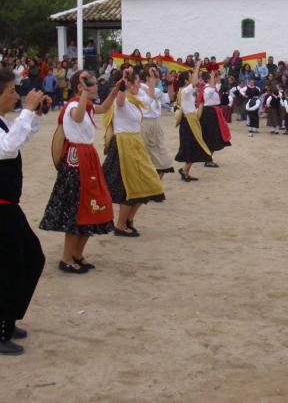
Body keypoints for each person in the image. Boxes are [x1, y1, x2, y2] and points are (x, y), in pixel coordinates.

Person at [39, 71, 117, 273]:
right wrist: (83, 92)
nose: (95, 84)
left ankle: (77, 254)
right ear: (80, 87)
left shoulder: (87, 105)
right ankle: (66, 258)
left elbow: (105, 107)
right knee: (76, 210)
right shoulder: (74, 104)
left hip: (87, 157)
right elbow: (78, 116)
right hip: (77, 160)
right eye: (88, 81)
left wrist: (116, 89)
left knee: (91, 207)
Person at [0, 71, 48, 355]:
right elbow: (6, 149)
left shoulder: (4, 122)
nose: (15, 95)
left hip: (8, 207)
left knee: (29, 258)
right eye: (10, 90)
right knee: (11, 266)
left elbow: (18, 141)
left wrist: (36, 115)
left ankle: (8, 317)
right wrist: (27, 111)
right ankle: (2, 326)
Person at [102, 69, 165, 236]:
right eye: (137, 82)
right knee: (128, 187)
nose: (140, 84)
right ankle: (120, 225)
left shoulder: (137, 100)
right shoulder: (122, 100)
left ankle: (128, 220)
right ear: (129, 84)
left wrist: (152, 79)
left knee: (149, 184)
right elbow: (120, 101)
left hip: (135, 144)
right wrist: (122, 84)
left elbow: (150, 96)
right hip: (123, 145)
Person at [174, 62, 212, 181]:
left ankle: (185, 170)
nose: (192, 79)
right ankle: (185, 172)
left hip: (189, 121)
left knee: (191, 147)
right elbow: (195, 83)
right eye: (190, 77)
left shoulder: (184, 90)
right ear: (186, 81)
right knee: (192, 146)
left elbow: (196, 84)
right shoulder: (185, 91)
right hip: (189, 122)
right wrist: (196, 68)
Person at [137, 67, 175, 178]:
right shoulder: (140, 90)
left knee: (162, 159)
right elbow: (151, 96)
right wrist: (153, 80)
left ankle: (155, 187)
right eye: (156, 75)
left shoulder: (157, 90)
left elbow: (169, 98)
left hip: (156, 124)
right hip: (145, 123)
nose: (158, 78)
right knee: (147, 158)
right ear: (148, 77)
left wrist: (170, 83)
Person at [200, 72, 231, 168]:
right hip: (210, 113)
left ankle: (208, 158)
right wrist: (213, 78)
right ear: (209, 80)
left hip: (214, 112)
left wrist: (218, 76)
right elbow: (211, 90)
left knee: (213, 136)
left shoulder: (212, 88)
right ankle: (208, 159)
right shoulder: (207, 89)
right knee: (212, 137)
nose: (216, 79)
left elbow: (218, 86)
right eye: (214, 78)